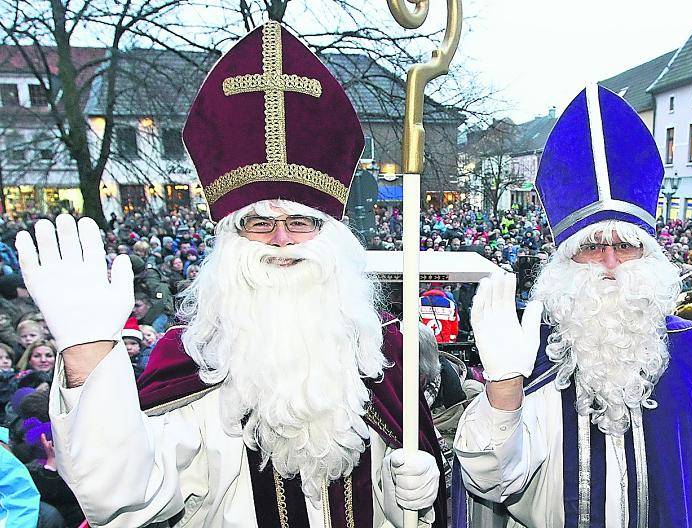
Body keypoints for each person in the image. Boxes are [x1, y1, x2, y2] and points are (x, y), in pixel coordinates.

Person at [17, 22, 444, 527]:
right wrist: (88, 354)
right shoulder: (193, 361)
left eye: (300, 223)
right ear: (229, 243)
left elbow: (401, 505)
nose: (281, 241)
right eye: (259, 224)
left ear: (331, 238)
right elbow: (122, 495)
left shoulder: (382, 356)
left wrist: (413, 489)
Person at [452, 85, 692, 527]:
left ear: (649, 255)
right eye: (590, 247)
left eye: (624, 245)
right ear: (564, 259)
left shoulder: (691, 352)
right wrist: (504, 388)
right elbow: (491, 481)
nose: (609, 262)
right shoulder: (534, 351)